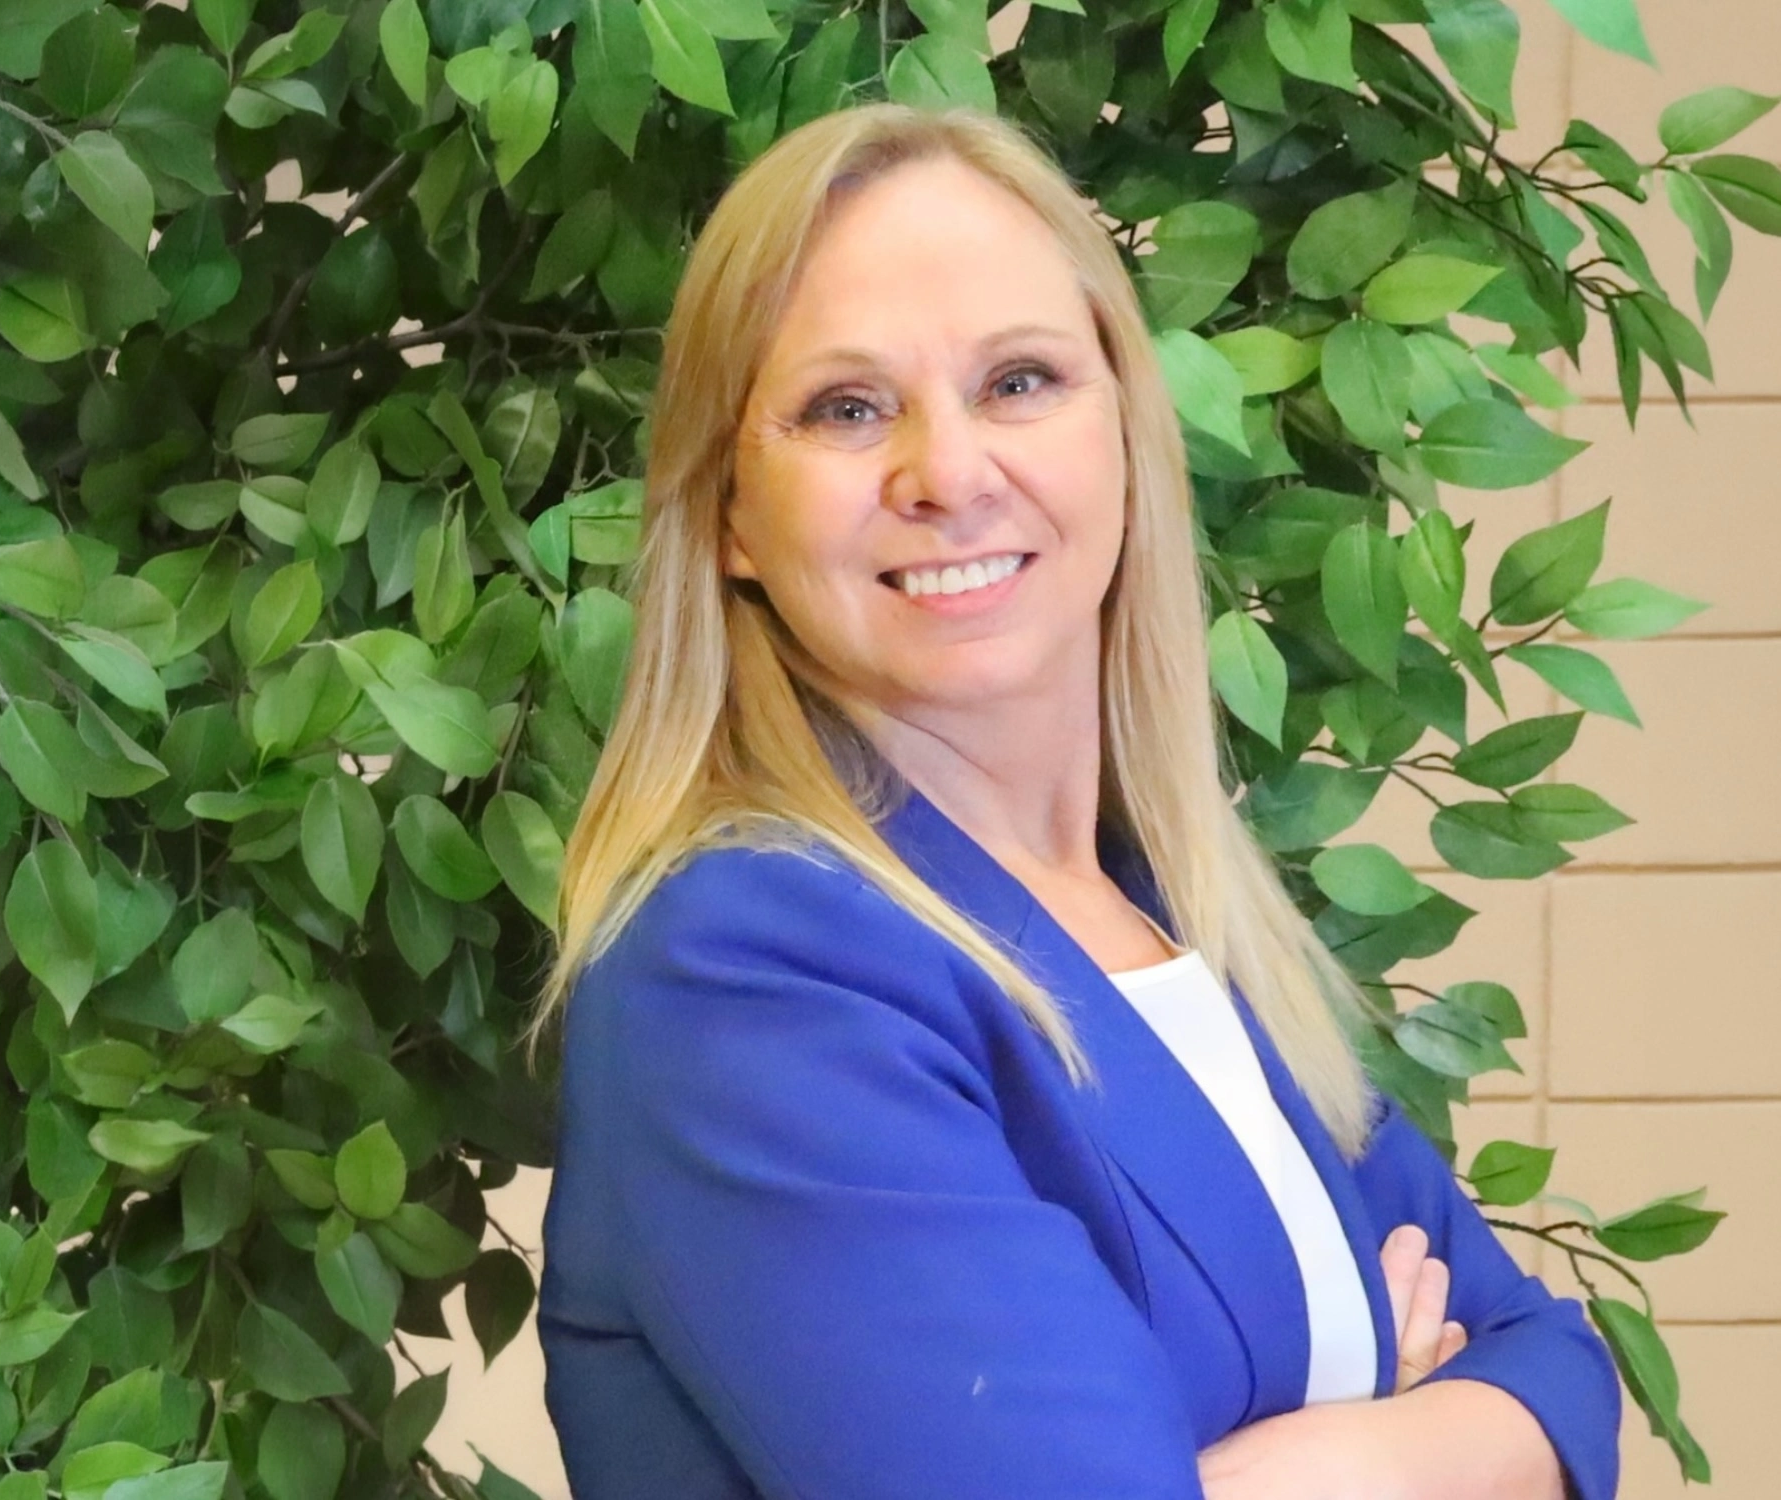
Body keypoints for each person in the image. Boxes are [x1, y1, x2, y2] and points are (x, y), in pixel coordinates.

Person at [529, 101, 1621, 1500]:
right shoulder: (746, 973)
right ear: (732, 510)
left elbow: (1554, 1373)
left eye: (1020, 381)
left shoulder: (1178, 924)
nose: (949, 474)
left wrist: (1290, 1464)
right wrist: (1397, 1438)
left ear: (1123, 431)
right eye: (849, 407)